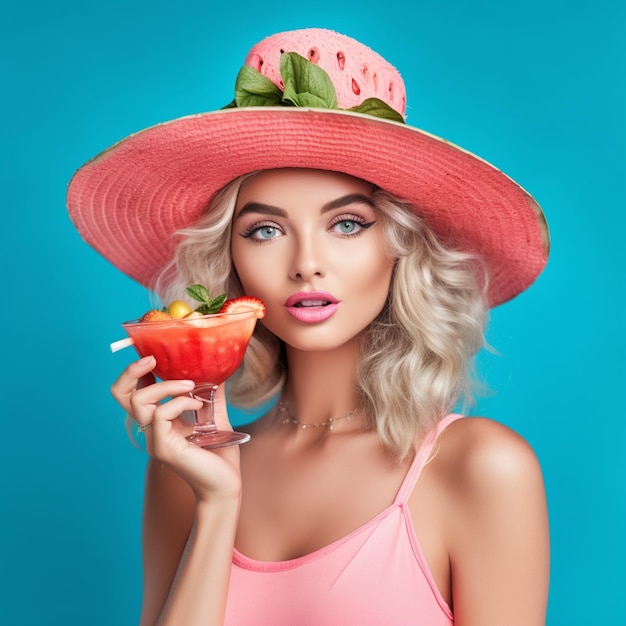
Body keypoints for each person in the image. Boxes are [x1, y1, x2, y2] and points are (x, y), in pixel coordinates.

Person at [67, 28, 550, 626]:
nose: (305, 263)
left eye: (346, 224)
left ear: (400, 248)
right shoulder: (186, 467)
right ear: (231, 262)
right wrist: (217, 504)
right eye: (264, 230)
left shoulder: (481, 468)